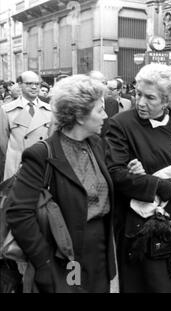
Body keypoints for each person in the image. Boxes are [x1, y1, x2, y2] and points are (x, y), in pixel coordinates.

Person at [5, 75, 118, 293]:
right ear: (80, 115)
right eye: (99, 110)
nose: (105, 115)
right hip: (61, 254)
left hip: (98, 249)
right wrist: (43, 263)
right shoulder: (41, 154)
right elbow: (19, 214)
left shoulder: (97, 144)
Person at [105, 63, 171, 292]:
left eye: (150, 97)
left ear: (167, 101)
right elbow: (116, 173)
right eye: (137, 94)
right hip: (141, 226)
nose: (140, 102)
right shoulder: (121, 124)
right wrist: (155, 183)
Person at [0, 71, 53, 181]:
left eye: (37, 84)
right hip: (16, 166)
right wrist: (15, 155)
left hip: (41, 165)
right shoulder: (7, 110)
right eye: (29, 84)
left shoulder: (49, 110)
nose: (34, 87)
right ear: (19, 85)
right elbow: (3, 142)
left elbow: (52, 140)